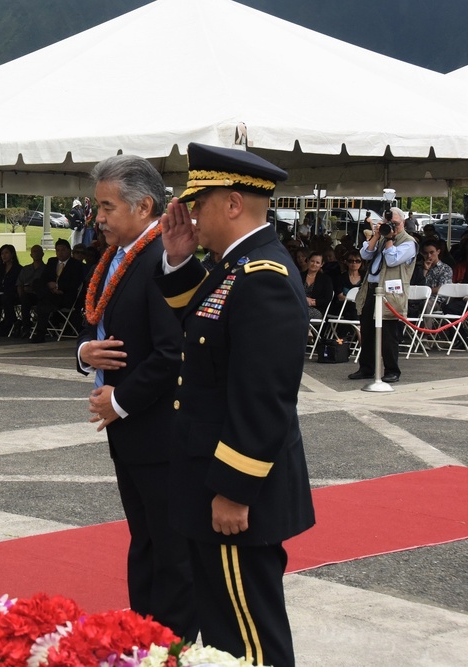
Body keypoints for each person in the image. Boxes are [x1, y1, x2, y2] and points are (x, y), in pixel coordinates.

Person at [157, 143, 315, 667]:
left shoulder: (263, 277)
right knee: (224, 632)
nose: (192, 216)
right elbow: (205, 329)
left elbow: (263, 397)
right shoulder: (235, 267)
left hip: (235, 498)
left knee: (251, 641)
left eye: (199, 205)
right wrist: (180, 261)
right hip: (213, 484)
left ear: (231, 203)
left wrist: (233, 489)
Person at [77, 154, 196, 638]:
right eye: (97, 206)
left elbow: (173, 354)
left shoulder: (161, 261)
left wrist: (120, 402)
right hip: (130, 433)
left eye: (107, 207)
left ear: (144, 206)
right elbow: (103, 330)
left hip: (159, 433)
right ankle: (142, 638)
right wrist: (85, 353)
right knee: (144, 542)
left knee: (172, 553)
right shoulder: (119, 257)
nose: (98, 217)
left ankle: (171, 645)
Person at [349, 207, 417, 383]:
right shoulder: (380, 238)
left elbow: (392, 259)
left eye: (395, 223)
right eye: (389, 223)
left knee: (388, 334)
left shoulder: (409, 242)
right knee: (367, 330)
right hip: (371, 289)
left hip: (389, 294)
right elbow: (365, 254)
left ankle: (392, 370)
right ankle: (366, 368)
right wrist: (377, 236)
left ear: (403, 223)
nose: (391, 227)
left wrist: (390, 239)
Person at [30, 238, 84, 343]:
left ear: (69, 251)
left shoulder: (76, 265)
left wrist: (58, 287)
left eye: (63, 250)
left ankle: (40, 333)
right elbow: (44, 278)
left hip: (65, 296)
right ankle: (38, 332)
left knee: (43, 303)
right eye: (58, 250)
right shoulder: (52, 261)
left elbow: (74, 283)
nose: (60, 253)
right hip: (49, 294)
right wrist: (50, 286)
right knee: (37, 283)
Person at [16, 245, 46, 336]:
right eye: (34, 252)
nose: (36, 254)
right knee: (24, 299)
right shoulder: (25, 269)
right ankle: (24, 325)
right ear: (31, 255)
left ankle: (27, 326)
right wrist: (21, 294)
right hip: (26, 295)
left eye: (38, 251)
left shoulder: (46, 269)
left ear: (42, 254)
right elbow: (19, 284)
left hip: (39, 295)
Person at [302, 250, 335, 320]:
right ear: (308, 261)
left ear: (322, 264)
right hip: (298, 305)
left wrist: (312, 303)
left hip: (317, 309)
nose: (314, 264)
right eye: (312, 261)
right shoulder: (299, 276)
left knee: (299, 312)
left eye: (317, 262)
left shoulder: (326, 279)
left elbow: (327, 298)